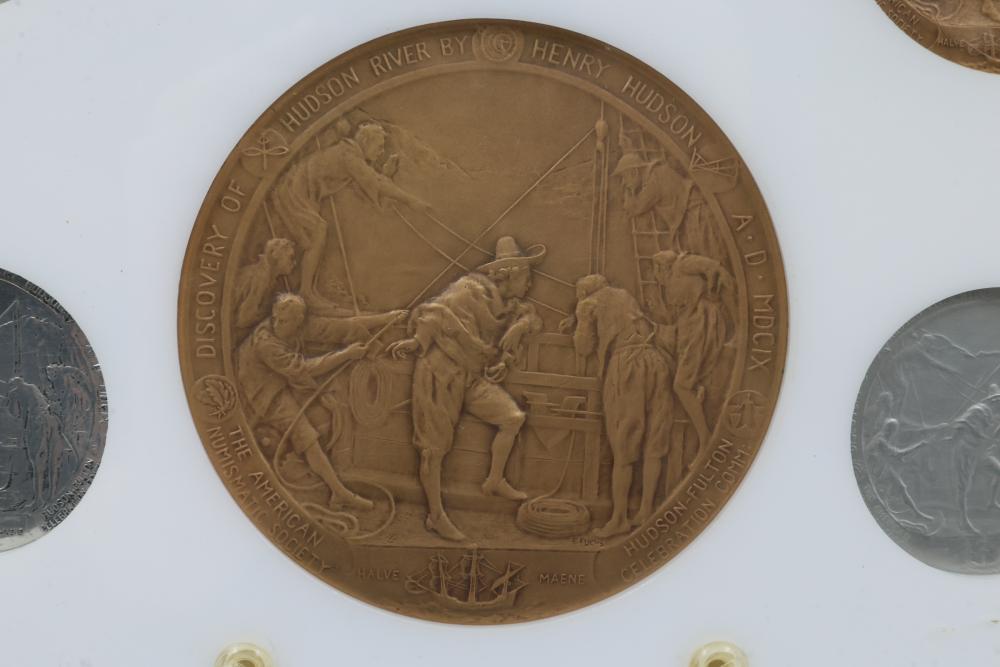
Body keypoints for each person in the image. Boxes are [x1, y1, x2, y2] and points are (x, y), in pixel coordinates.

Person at [388, 236, 544, 541]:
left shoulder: (508, 305)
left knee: (512, 418)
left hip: (471, 377)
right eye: (526, 276)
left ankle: (494, 480)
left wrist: (516, 337)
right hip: (440, 372)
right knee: (433, 450)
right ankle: (435, 516)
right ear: (509, 274)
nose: (530, 283)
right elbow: (435, 313)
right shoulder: (467, 290)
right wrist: (417, 342)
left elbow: (530, 317)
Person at [237, 293, 406, 509]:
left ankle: (329, 477)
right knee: (305, 434)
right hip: (262, 392)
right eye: (278, 319)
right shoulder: (266, 345)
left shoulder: (300, 325)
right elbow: (303, 368)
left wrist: (387, 318)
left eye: (286, 321)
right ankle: (339, 492)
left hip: (284, 380)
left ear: (299, 321)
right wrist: (346, 355)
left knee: (328, 410)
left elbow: (341, 326)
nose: (279, 324)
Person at [270, 122, 432, 311]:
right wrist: (411, 201)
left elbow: (367, 183)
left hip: (301, 189)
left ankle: (308, 289)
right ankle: (306, 291)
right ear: (366, 141)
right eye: (379, 147)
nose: (381, 152)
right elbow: (374, 182)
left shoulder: (351, 154)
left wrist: (385, 175)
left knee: (315, 234)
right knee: (317, 232)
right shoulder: (348, 155)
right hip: (295, 189)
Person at [560, 274, 673, 536]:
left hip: (627, 367)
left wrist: (580, 318)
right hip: (655, 362)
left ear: (583, 292)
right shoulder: (624, 295)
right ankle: (646, 512)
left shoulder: (587, 304)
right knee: (654, 442)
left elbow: (583, 347)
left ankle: (620, 518)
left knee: (623, 446)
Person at [652, 250, 734, 452]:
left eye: (655, 269)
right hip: (690, 327)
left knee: (681, 386)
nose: (655, 275)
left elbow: (715, 269)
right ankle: (697, 390)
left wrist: (715, 291)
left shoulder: (683, 264)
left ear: (662, 267)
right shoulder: (671, 284)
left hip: (702, 324)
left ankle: (705, 439)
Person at [614, 152, 724, 259]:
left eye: (624, 177)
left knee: (709, 259)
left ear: (634, 172)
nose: (624, 182)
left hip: (697, 218)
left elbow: (634, 208)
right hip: (695, 215)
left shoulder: (654, 180)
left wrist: (629, 190)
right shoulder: (659, 171)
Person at [235, 237, 297, 329]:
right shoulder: (260, 278)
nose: (294, 263)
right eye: (291, 258)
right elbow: (244, 320)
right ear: (276, 255)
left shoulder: (267, 278)